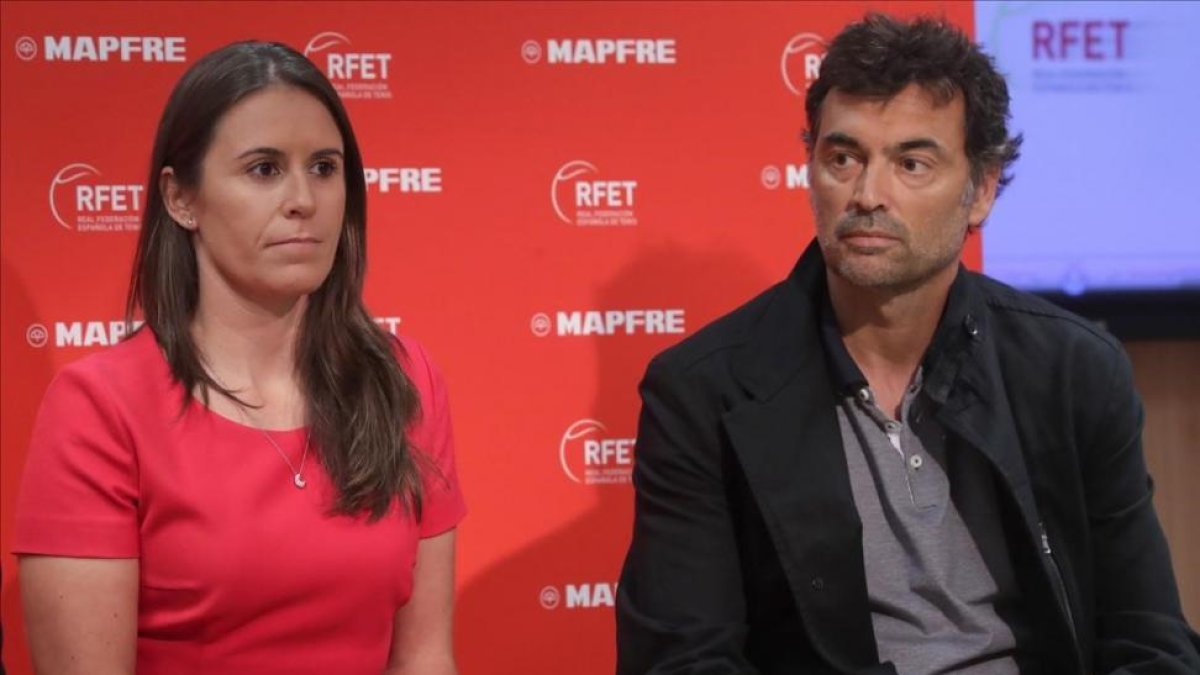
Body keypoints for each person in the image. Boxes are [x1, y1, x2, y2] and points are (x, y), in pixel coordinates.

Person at [616, 13, 1199, 675]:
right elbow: (682, 659)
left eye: (912, 163)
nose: (867, 195)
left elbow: (1151, 642)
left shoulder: (1072, 370)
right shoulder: (703, 392)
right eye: (843, 158)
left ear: (979, 190)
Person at [14, 41, 465, 674]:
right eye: (263, 169)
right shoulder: (101, 407)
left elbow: (425, 659)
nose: (303, 199)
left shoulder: (402, 380)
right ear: (181, 199)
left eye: (325, 168)